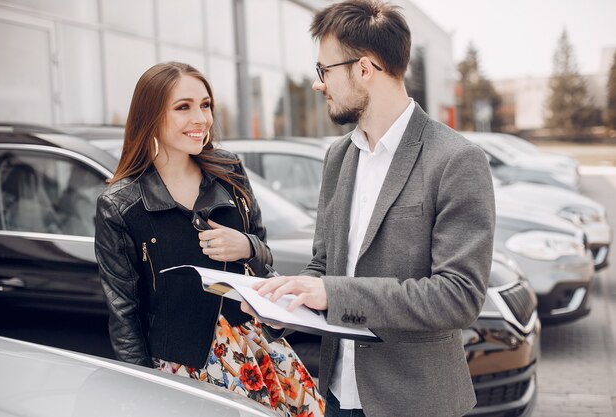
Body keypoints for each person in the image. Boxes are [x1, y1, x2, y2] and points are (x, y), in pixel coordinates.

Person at [248, 2, 496, 417]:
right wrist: (287, 301)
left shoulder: (456, 159)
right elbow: (325, 265)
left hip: (416, 402)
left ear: (364, 69)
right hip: (338, 395)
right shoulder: (338, 157)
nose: (317, 84)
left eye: (324, 70)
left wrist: (331, 292)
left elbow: (459, 296)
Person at [95, 62, 324, 417]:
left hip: (255, 348)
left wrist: (247, 246)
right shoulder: (121, 204)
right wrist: (141, 386)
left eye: (205, 105)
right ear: (151, 114)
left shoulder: (228, 170)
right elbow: (123, 312)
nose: (200, 118)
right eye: (183, 107)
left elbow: (263, 255)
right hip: (183, 364)